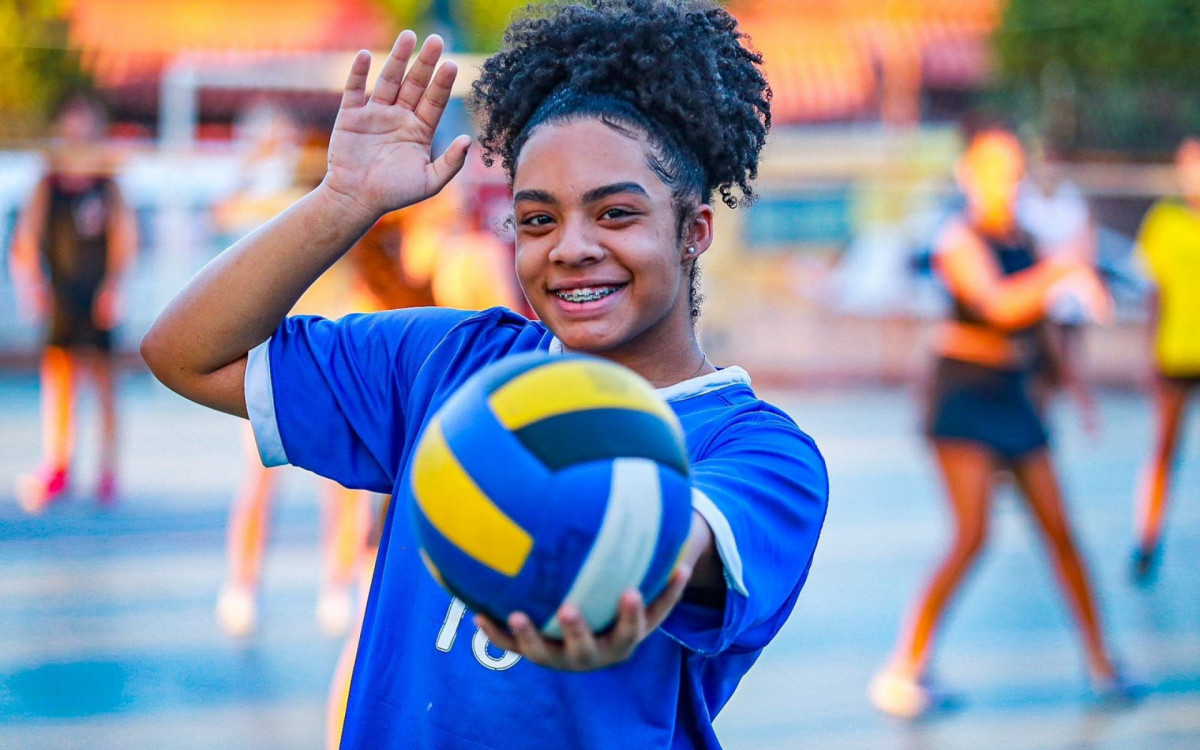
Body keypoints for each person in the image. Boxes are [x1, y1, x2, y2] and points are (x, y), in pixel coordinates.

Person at [141, 2, 829, 747]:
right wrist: (344, 202)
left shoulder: (761, 452)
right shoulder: (447, 364)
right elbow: (183, 352)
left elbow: (680, 538)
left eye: (616, 214)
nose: (570, 247)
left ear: (694, 229)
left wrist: (615, 571)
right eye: (537, 220)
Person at [868, 127, 1128, 719]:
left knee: (1062, 533)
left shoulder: (1030, 240)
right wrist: (1065, 268)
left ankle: (1102, 664)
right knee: (971, 536)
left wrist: (1077, 391)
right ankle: (903, 668)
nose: (1003, 182)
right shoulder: (958, 240)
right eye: (991, 170)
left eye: (1012, 171)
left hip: (1016, 396)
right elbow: (999, 305)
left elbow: (1040, 327)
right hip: (962, 395)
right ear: (968, 176)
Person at [9, 92, 137, 512]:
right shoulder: (48, 180)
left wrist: (115, 285)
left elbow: (124, 236)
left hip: (96, 290)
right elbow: (26, 238)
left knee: (103, 382)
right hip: (62, 291)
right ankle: (58, 464)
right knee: (59, 378)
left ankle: (107, 471)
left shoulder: (107, 180)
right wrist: (31, 284)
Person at [1130, 136, 1200, 583]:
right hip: (1176, 354)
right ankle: (1146, 539)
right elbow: (1153, 297)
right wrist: (1148, 353)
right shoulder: (1164, 221)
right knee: (1164, 452)